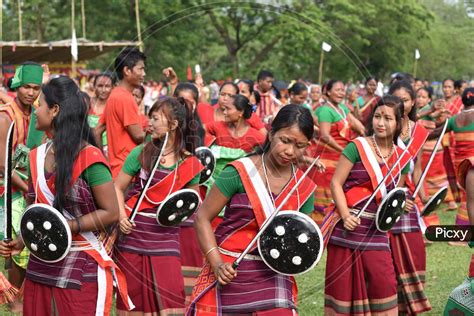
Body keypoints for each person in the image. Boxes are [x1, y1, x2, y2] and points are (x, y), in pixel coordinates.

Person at [0, 76, 130, 315]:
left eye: (40, 105)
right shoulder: (36, 156)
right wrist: (22, 238)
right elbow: (34, 205)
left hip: (81, 265)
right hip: (41, 264)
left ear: (55, 110)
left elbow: (111, 212)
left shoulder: (89, 157)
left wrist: (64, 226)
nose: (36, 110)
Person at [188, 105, 317, 315]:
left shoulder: (305, 187)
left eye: (300, 145)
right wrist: (217, 264)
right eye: (285, 141)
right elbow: (202, 217)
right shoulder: (238, 172)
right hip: (229, 270)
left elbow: (300, 240)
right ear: (272, 133)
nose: (290, 151)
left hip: (274, 275)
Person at [114, 96, 202, 315]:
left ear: (172, 125)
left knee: (170, 294)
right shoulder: (141, 153)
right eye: (149, 117)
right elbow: (117, 188)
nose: (148, 123)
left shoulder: (189, 163)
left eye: (155, 118)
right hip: (133, 236)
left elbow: (192, 204)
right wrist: (121, 217)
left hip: (166, 239)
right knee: (132, 299)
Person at [324, 96, 411, 315]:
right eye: (377, 117)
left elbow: (393, 197)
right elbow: (336, 183)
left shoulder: (403, 159)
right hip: (347, 228)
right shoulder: (357, 147)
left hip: (376, 231)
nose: (381, 123)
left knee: (383, 283)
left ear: (399, 123)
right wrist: (345, 215)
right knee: (343, 288)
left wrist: (402, 205)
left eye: (388, 118)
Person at [0, 62, 44, 312]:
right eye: (27, 86)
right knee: (19, 240)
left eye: (36, 88)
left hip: (29, 186)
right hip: (9, 189)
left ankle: (19, 295)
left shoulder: (39, 113)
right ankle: (13, 298)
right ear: (18, 86)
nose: (31, 92)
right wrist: (30, 189)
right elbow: (3, 165)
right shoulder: (5, 115)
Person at [388, 81, 432, 314]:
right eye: (396, 99)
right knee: (388, 253)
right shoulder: (384, 126)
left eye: (405, 100)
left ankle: (409, 305)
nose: (400, 105)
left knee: (413, 250)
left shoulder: (419, 131)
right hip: (385, 195)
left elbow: (418, 168)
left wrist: (424, 197)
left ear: (413, 102)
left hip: (408, 197)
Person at [312, 79, 365, 224]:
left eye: (343, 90)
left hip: (343, 158)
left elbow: (357, 124)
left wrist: (361, 132)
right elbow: (324, 135)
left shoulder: (342, 108)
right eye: (338, 90)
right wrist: (344, 151)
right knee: (327, 194)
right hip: (329, 160)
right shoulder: (325, 110)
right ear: (328, 92)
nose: (341, 93)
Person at [94, 48, 146, 178]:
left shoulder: (115, 94)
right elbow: (138, 136)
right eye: (140, 69)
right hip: (128, 171)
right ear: (127, 71)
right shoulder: (125, 98)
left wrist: (104, 161)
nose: (144, 73)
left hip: (115, 168)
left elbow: (97, 131)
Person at [430, 88, 474, 230]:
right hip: (472, 163)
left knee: (468, 197)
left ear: (462, 101)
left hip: (461, 165)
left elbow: (436, 133)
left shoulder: (454, 119)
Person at [416, 87, 456, 226]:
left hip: (430, 148)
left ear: (428, 99)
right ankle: (446, 200)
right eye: (418, 96)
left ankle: (444, 200)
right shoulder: (420, 111)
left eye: (423, 97)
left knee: (428, 177)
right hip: (427, 149)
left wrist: (441, 113)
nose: (420, 99)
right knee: (434, 177)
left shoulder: (426, 109)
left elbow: (433, 118)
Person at [88, 72, 115, 156]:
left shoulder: (114, 106)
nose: (103, 90)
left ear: (113, 87)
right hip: (86, 146)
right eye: (100, 86)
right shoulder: (86, 103)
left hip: (108, 149)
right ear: (94, 86)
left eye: (107, 86)